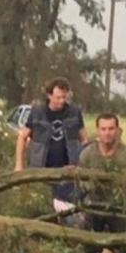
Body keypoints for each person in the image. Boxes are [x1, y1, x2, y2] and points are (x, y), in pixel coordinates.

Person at [14, 77, 88, 210]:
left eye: (64, 97)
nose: (62, 101)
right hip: (41, 170)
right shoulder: (37, 112)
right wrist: (19, 165)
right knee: (41, 205)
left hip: (67, 172)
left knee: (67, 207)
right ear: (49, 95)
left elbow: (84, 140)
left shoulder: (74, 112)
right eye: (58, 97)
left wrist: (82, 164)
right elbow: (22, 137)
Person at [78, 113, 126, 253]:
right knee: (88, 245)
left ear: (117, 130)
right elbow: (81, 183)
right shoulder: (88, 153)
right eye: (104, 129)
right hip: (94, 204)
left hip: (118, 207)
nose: (107, 133)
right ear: (98, 131)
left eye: (111, 129)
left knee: (123, 248)